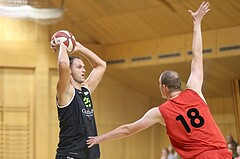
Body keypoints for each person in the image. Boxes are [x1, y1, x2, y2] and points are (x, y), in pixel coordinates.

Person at [86, 2, 232, 159]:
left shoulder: (160, 112)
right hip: (223, 153)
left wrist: (100, 138)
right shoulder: (195, 90)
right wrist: (197, 23)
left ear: (164, 88)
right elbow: (198, 56)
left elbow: (129, 129)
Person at [51, 37, 107, 159]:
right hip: (70, 154)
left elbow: (101, 65)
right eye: (79, 67)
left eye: (83, 67)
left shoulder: (86, 90)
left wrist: (80, 48)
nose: (84, 70)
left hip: (90, 155)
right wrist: (63, 46)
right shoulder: (66, 91)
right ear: (70, 71)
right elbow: (63, 64)